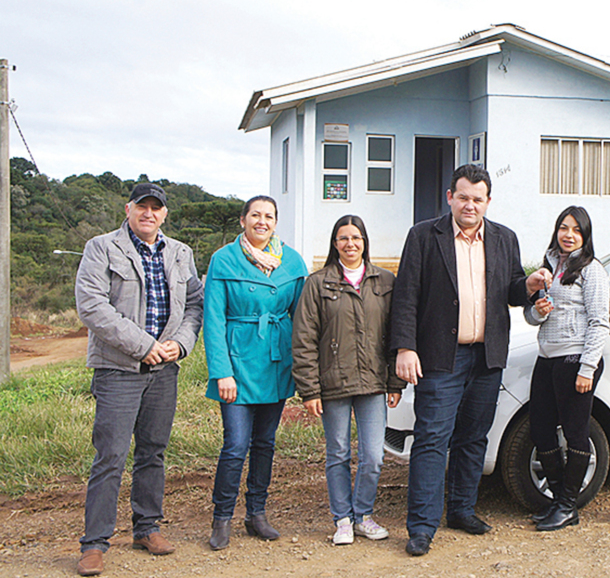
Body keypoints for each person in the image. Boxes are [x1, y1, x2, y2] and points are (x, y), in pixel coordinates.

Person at [391, 164, 551, 557]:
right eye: (463, 197)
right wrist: (404, 348)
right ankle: (422, 527)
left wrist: (527, 286)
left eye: (478, 199)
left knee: (474, 438)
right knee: (431, 440)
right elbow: (406, 295)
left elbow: (511, 292)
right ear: (450, 197)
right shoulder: (424, 236)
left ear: (488, 202)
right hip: (439, 357)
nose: (470, 205)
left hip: (487, 356)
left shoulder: (503, 238)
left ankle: (462, 510)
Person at [74, 183, 204, 577]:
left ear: (164, 214)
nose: (149, 213)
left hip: (164, 369)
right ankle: (94, 543)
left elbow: (195, 304)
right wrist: (143, 345)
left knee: (153, 451)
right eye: (142, 207)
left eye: (156, 208)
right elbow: (92, 305)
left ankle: (147, 528)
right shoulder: (102, 247)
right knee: (110, 455)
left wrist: (179, 345)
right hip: (118, 369)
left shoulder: (181, 253)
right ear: (128, 208)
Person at [291, 215, 405, 546]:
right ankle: (342, 519)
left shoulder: (384, 281)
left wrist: (395, 382)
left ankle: (363, 515)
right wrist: (309, 389)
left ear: (365, 242)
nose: (350, 244)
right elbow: (304, 339)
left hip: (372, 383)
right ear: (334, 243)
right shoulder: (317, 283)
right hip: (332, 384)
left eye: (356, 238)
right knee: (338, 453)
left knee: (373, 455)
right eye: (343, 238)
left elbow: (394, 335)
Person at [204, 196, 307, 550]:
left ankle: (257, 514)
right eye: (255, 215)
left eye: (269, 216)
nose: (262, 221)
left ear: (276, 222)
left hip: (276, 363)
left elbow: (304, 318)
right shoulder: (224, 259)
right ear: (244, 220)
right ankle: (222, 518)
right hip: (237, 363)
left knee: (265, 443)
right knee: (235, 445)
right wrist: (222, 371)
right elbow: (213, 320)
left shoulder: (292, 261)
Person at [524, 206, 610, 532]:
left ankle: (567, 505)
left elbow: (600, 321)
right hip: (547, 357)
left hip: (575, 359)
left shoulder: (592, 271)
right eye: (564, 227)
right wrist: (538, 310)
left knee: (576, 432)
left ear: (585, 236)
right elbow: (533, 317)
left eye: (576, 229)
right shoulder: (549, 266)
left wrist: (587, 368)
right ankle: (560, 500)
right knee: (541, 429)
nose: (568, 234)